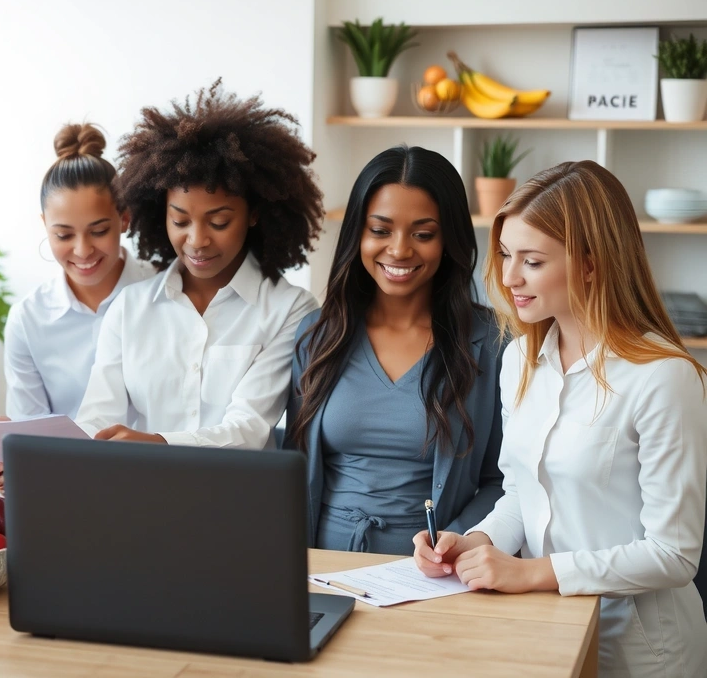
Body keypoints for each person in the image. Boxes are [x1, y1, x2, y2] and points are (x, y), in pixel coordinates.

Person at [413, 160, 707, 676]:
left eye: (532, 261)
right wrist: (477, 541)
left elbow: (673, 554)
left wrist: (530, 573)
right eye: (506, 255)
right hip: (545, 631)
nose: (509, 277)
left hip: (640, 652)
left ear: (591, 264)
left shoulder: (663, 376)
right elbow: (522, 493)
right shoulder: (519, 361)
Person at [74, 80, 324, 448]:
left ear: (254, 214)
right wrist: (29, 450)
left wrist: (158, 443)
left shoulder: (290, 310)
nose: (197, 241)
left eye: (219, 222)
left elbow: (248, 429)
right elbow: (95, 421)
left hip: (235, 487)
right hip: (139, 484)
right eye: (180, 221)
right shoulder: (129, 309)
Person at [284, 145, 504, 555]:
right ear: (358, 233)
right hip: (319, 567)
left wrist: (455, 542)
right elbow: (292, 470)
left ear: (449, 239)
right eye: (380, 230)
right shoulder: (317, 336)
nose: (400, 250)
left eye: (423, 234)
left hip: (432, 573)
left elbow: (503, 481)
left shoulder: (491, 343)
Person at [0, 123, 155, 493]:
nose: (82, 250)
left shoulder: (164, 295)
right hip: (67, 490)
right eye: (63, 234)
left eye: (98, 231)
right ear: (45, 226)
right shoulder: (29, 319)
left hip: (157, 482)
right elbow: (30, 434)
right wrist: (16, 462)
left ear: (124, 218)